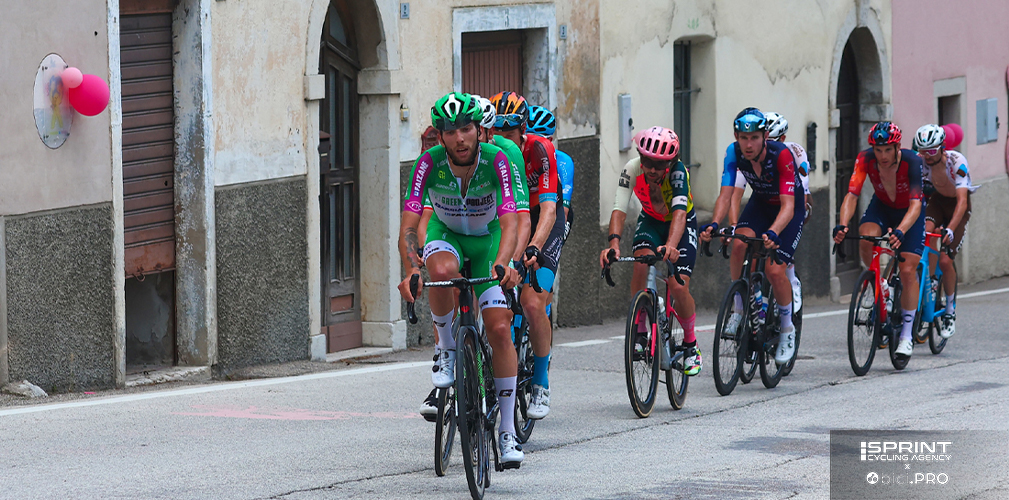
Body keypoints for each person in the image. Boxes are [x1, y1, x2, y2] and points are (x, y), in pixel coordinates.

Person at [399, 92, 524, 466]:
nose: (460, 138)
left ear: (478, 129)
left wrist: (504, 264)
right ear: (440, 136)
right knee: (439, 272)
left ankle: (507, 432)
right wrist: (412, 269)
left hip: (489, 242)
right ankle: (446, 348)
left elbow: (511, 221)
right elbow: (409, 225)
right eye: (450, 131)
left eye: (466, 129)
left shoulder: (497, 160)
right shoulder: (428, 163)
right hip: (447, 235)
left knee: (499, 329)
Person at [700, 107, 804, 365]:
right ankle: (739, 307)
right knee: (738, 243)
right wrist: (714, 224)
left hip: (788, 209)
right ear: (736, 136)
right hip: (760, 204)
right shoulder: (733, 152)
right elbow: (726, 194)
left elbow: (788, 207)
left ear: (765, 136)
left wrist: (774, 231)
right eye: (743, 138)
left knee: (774, 270)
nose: (748, 144)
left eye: (754, 138)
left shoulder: (781, 155)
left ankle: (787, 329)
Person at [599, 126, 702, 375]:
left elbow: (679, 214)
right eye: (647, 162)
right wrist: (613, 244)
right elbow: (619, 208)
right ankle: (641, 330)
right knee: (641, 263)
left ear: (670, 163)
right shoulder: (632, 169)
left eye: (659, 164)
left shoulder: (678, 172)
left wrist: (672, 245)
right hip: (651, 221)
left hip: (681, 223)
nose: (652, 169)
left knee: (678, 286)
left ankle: (691, 344)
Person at [490, 91, 565, 420]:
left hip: (543, 218)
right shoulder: (487, 154)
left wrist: (533, 246)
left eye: (508, 133)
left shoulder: (539, 149)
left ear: (523, 130)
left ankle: (541, 381)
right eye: (495, 132)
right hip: (509, 218)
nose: (501, 139)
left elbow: (548, 209)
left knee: (533, 302)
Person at [833, 121, 925, 358]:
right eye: (878, 150)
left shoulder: (912, 160)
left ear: (897, 148)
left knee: (907, 270)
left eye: (887, 150)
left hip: (909, 211)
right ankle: (880, 284)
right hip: (882, 206)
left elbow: (916, 204)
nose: (882, 156)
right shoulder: (865, 159)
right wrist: (843, 224)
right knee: (866, 238)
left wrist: (901, 230)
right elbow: (852, 194)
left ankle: (906, 335)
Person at [728, 111, 810, 312]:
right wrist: (733, 225)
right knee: (747, 247)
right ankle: (750, 299)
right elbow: (735, 194)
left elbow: (802, 195)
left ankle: (791, 277)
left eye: (773, 141)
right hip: (764, 203)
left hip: (791, 204)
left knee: (777, 262)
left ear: (782, 139)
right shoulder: (747, 154)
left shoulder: (793, 152)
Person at [914, 124, 977, 338]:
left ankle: (950, 310)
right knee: (924, 234)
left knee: (945, 260)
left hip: (958, 207)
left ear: (942, 147)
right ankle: (930, 279)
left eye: (932, 151)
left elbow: (962, 201)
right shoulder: (920, 162)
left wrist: (950, 229)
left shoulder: (957, 162)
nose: (927, 156)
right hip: (937, 202)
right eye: (923, 151)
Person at [528, 105, 575, 240]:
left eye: (537, 141)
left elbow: (563, 210)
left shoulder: (563, 161)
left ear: (549, 141)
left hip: (553, 210)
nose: (531, 145)